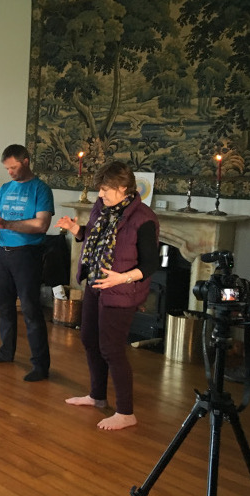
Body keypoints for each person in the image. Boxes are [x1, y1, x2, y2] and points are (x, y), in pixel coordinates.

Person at [56, 161, 159, 430]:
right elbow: (92, 237)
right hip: (96, 283)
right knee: (89, 339)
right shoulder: (103, 209)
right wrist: (74, 229)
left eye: (105, 189)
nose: (100, 194)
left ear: (123, 188)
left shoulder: (144, 218)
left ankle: (126, 412)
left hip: (122, 289)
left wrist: (121, 277)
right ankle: (97, 396)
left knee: (112, 349)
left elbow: (150, 265)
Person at [0, 144, 54, 382]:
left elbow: (41, 225)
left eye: (13, 167)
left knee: (30, 309)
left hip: (27, 254)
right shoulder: (4, 188)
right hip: (3, 252)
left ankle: (40, 364)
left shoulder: (41, 189)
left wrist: (5, 224)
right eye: (6, 168)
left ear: (26, 161)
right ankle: (6, 351)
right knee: (4, 305)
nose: (9, 172)